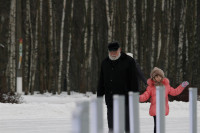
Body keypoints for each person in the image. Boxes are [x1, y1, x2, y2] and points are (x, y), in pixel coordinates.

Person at [97, 41, 139, 133]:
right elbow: (101, 81)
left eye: (115, 51)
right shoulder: (105, 63)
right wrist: (99, 96)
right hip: (111, 100)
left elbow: (134, 80)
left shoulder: (129, 61)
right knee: (112, 127)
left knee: (127, 126)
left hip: (126, 100)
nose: (113, 53)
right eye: (111, 51)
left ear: (119, 50)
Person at [139, 67, 189, 133]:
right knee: (157, 126)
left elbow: (175, 92)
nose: (158, 78)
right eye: (156, 76)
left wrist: (182, 86)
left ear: (162, 77)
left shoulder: (166, 86)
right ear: (153, 78)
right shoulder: (151, 87)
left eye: (159, 76)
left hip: (163, 109)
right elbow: (145, 96)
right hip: (155, 109)